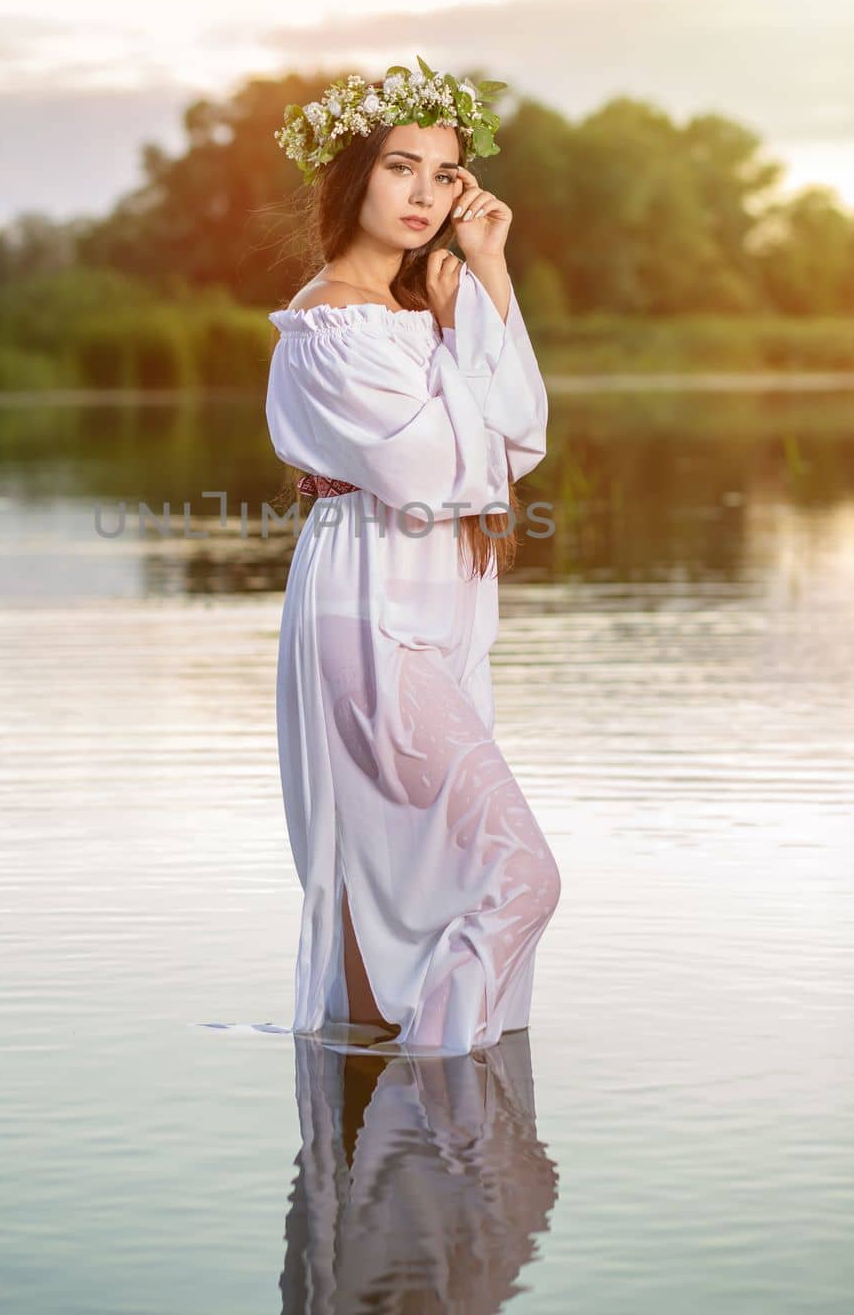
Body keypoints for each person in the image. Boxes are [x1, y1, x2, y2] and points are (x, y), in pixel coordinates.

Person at [264, 61, 561, 1056]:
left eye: (445, 174)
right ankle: (434, 1098)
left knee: (410, 868)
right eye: (401, 167)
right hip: (367, 610)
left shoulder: (431, 297)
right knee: (515, 871)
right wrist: (445, 334)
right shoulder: (330, 323)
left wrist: (487, 270)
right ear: (353, 177)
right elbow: (437, 477)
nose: (427, 194)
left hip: (435, 608)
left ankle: (385, 1155)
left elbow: (519, 432)